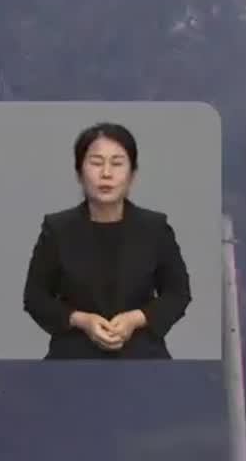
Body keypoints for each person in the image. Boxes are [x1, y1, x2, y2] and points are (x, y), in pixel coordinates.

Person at [21, 122, 191, 359]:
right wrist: (81, 320)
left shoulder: (154, 228)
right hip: (73, 358)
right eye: (96, 163)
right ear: (79, 172)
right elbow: (35, 297)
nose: (106, 173)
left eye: (117, 163)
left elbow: (178, 293)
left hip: (143, 357)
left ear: (132, 175)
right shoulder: (58, 229)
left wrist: (136, 319)